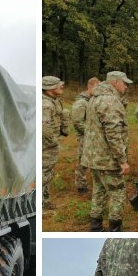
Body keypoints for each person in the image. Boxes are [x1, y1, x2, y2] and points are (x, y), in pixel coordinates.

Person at [83, 71, 132, 232]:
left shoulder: (94, 98)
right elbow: (113, 134)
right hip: (107, 159)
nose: (126, 86)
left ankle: (95, 226)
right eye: (124, 83)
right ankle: (115, 229)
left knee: (99, 190)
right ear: (115, 82)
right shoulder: (110, 101)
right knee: (117, 193)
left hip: (94, 157)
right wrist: (122, 160)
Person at [40, 76, 68, 211]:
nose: (61, 86)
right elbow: (44, 127)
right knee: (43, 173)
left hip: (48, 145)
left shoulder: (53, 101)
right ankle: (40, 205)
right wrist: (53, 142)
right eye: (58, 85)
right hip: (46, 146)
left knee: (46, 172)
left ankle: (45, 201)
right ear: (50, 88)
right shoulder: (46, 105)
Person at [71, 77, 100, 193]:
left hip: (93, 136)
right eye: (97, 87)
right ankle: (81, 185)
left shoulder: (92, 100)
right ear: (90, 86)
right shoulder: (81, 102)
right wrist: (90, 133)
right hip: (85, 136)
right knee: (82, 161)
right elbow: (77, 122)